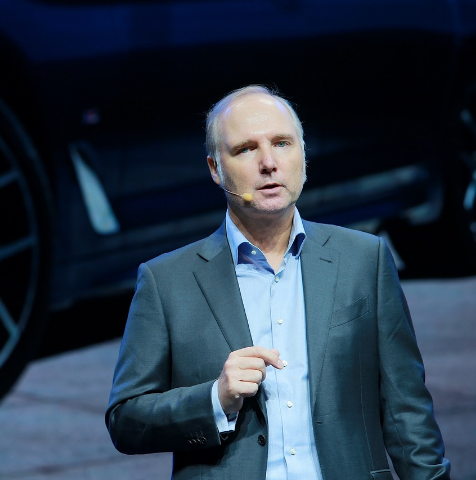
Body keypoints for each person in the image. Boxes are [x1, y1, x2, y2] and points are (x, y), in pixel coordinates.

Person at [105, 85, 450, 479]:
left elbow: (407, 411)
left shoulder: (363, 260)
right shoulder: (167, 281)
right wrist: (215, 399)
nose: (269, 163)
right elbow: (126, 420)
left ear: (303, 154)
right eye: (246, 149)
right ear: (215, 169)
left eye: (282, 143)